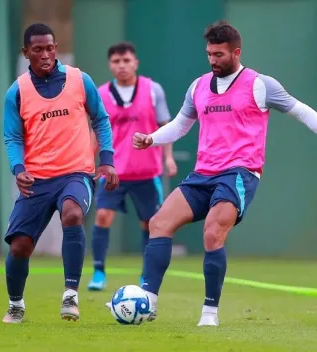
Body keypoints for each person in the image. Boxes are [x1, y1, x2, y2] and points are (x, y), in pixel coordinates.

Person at [132, 20, 317, 326]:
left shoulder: (261, 85)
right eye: (209, 54)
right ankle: (147, 303)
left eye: (219, 55)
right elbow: (180, 125)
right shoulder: (199, 86)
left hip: (239, 173)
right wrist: (152, 138)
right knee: (159, 223)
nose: (213, 60)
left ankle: (209, 313)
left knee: (212, 233)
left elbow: (302, 111)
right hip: (203, 173)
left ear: (236, 52)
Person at [3, 23, 118, 324]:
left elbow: (101, 120)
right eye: (37, 49)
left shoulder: (80, 80)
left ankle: (70, 295)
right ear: (25, 52)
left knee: (72, 214)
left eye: (50, 48)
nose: (45, 54)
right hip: (38, 179)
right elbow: (13, 137)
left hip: (75, 173)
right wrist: (18, 169)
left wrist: (106, 159)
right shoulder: (17, 91)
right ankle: (16, 304)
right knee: (20, 247)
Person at [87, 42, 177, 291]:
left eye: (126, 60)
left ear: (135, 62)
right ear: (110, 65)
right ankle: (98, 272)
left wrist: (168, 158)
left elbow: (165, 125)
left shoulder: (153, 90)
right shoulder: (101, 94)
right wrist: (88, 161)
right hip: (113, 171)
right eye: (116, 61)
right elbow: (96, 131)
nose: (122, 65)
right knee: (103, 216)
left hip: (147, 171)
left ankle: (146, 273)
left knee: (149, 223)